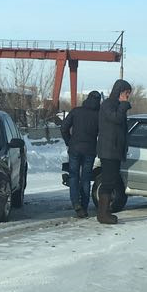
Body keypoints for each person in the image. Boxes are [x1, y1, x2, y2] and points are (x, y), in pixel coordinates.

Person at [95, 78, 132, 225]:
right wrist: (123, 105)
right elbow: (116, 119)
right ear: (120, 91)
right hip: (108, 150)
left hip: (114, 150)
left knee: (111, 181)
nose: (128, 96)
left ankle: (105, 212)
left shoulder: (116, 105)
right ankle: (102, 214)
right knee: (108, 182)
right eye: (126, 93)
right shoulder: (108, 105)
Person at [60, 90, 101, 218]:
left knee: (73, 176)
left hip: (75, 149)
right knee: (86, 178)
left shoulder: (76, 111)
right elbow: (103, 134)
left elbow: (63, 128)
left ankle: (76, 203)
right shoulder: (99, 115)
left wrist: (69, 141)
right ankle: (84, 205)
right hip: (90, 150)